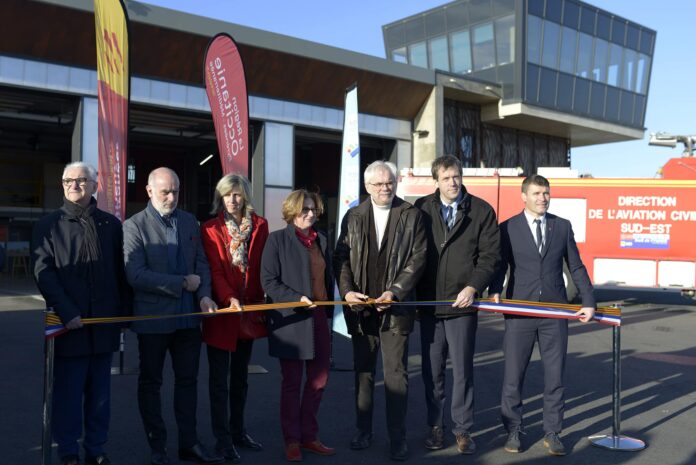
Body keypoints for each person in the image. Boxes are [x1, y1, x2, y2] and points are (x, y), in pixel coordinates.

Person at [489, 174, 596, 456]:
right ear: (523, 196)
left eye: (546, 193)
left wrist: (588, 300)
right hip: (519, 312)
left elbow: (576, 266)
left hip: (554, 312)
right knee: (514, 376)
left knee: (555, 376)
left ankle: (553, 432)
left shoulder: (561, 226)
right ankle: (513, 430)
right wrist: (494, 289)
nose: (542, 198)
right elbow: (500, 265)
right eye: (536, 193)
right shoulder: (508, 228)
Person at [32, 161, 130, 465]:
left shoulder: (111, 225)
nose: (74, 185)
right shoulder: (48, 225)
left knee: (101, 396)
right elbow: (43, 273)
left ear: (95, 185)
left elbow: (120, 273)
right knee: (69, 394)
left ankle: (96, 449)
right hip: (68, 325)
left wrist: (122, 317)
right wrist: (67, 311)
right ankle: (69, 451)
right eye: (68, 180)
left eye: (81, 180)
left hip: (103, 326)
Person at [123, 167, 223, 465]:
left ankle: (189, 444)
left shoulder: (190, 221)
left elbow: (202, 264)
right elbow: (135, 274)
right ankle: (158, 446)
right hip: (153, 320)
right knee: (151, 383)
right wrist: (180, 284)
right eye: (165, 191)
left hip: (189, 320)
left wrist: (204, 294)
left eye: (175, 191)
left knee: (188, 382)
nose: (171, 197)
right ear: (149, 190)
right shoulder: (134, 226)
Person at [334, 160, 427, 461]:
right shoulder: (353, 216)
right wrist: (347, 291)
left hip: (396, 310)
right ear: (367, 187)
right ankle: (363, 430)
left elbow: (418, 257)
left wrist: (396, 292)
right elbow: (341, 258)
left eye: (390, 182)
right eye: (379, 184)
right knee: (363, 372)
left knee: (396, 375)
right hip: (361, 310)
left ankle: (397, 438)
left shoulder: (412, 215)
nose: (386, 188)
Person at [414, 155, 500, 455]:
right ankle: (435, 427)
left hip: (462, 305)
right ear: (435, 180)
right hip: (429, 306)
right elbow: (413, 254)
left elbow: (490, 256)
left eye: (457, 176)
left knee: (463, 371)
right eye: (447, 177)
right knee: (432, 371)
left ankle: (463, 430)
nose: (453, 182)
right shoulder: (421, 209)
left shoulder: (481, 211)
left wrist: (474, 286)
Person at [260, 190, 335, 462]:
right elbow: (268, 282)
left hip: (318, 316)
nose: (310, 214)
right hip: (290, 319)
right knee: (292, 383)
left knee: (319, 380)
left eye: (314, 209)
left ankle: (309, 436)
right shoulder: (277, 240)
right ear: (292, 211)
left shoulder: (322, 240)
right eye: (304, 209)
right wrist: (296, 299)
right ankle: (291, 440)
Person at [200, 174, 268, 462]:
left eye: (238, 195)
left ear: (246, 197)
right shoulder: (210, 228)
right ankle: (222, 439)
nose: (233, 200)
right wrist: (229, 298)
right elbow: (214, 270)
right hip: (222, 312)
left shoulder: (260, 226)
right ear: (220, 197)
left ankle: (238, 430)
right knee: (218, 381)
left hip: (249, 312)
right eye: (227, 195)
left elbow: (264, 264)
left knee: (240, 378)